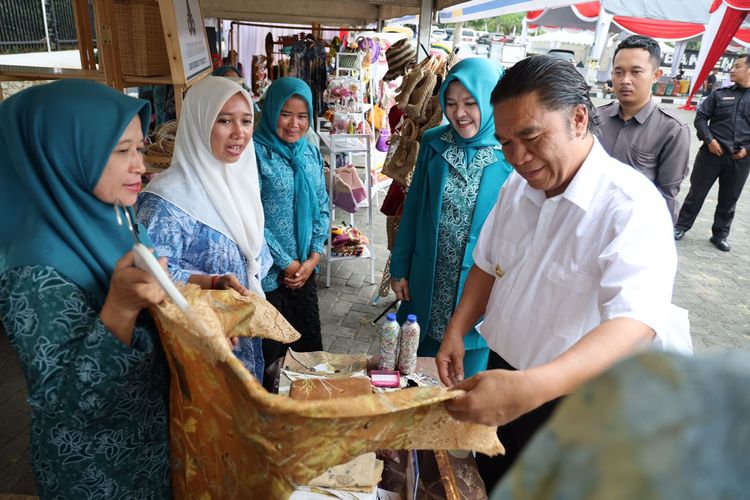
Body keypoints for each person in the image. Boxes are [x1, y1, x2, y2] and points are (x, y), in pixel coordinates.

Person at [434, 55, 678, 490]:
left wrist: (531, 388)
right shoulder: (520, 186)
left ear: (578, 119)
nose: (518, 158)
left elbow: (635, 322)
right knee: (492, 479)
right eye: (506, 143)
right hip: (508, 372)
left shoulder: (631, 206)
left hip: (576, 401)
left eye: (529, 136)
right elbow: (487, 264)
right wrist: (456, 330)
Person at [0, 80, 170, 497]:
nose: (140, 165)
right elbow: (69, 407)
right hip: (95, 475)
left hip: (150, 447)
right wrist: (120, 309)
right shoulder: (35, 270)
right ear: (64, 153)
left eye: (140, 147)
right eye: (120, 151)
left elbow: (151, 287)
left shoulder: (115, 217)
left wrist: (198, 289)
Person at [137, 76, 269, 380]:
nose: (239, 133)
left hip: (245, 341)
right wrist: (212, 282)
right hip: (201, 347)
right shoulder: (167, 200)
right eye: (224, 121)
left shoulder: (240, 181)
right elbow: (150, 274)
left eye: (246, 121)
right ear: (199, 122)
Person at [389, 58, 513, 377]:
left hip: (480, 289)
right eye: (452, 103)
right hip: (428, 280)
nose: (460, 113)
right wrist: (400, 269)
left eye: (471, 103)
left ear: (491, 100)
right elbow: (413, 208)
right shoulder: (434, 142)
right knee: (419, 374)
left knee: (465, 381)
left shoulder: (510, 153)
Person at [254, 77, 330, 368]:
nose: (294, 124)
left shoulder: (310, 152)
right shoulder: (255, 154)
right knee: (273, 358)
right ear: (272, 110)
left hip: (305, 273)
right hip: (270, 276)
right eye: (286, 114)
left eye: (302, 116)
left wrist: (312, 258)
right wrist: (288, 263)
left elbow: (322, 207)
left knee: (310, 354)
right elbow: (252, 217)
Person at [597, 35, 690, 223]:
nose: (625, 80)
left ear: (656, 75)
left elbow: (667, 194)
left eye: (636, 72)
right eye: (618, 72)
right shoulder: (596, 118)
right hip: (589, 220)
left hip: (633, 226)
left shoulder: (672, 129)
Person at [673, 54, 750, 252]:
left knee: (729, 198)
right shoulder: (720, 94)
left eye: (738, 66)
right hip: (711, 154)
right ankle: (681, 226)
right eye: (733, 66)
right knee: (696, 192)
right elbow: (701, 118)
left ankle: (720, 235)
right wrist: (710, 141)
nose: (732, 69)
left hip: (739, 159)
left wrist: (747, 150)